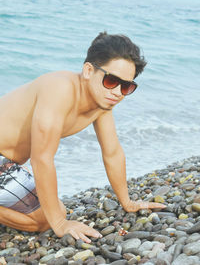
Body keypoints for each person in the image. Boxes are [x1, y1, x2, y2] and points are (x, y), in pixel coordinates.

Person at [0, 32, 165, 243]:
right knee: (46, 219)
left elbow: (112, 153)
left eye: (126, 86)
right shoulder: (59, 89)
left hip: (7, 163)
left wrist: (127, 201)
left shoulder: (102, 104)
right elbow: (41, 158)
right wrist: (60, 224)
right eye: (112, 80)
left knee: (54, 211)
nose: (117, 92)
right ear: (88, 70)